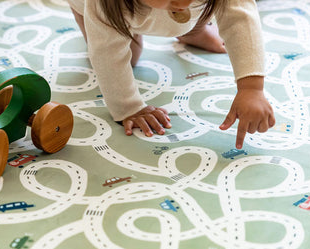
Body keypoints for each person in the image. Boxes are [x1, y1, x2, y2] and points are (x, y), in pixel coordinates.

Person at [67, 0, 275, 149]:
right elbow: (107, 54)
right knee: (130, 57)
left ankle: (189, 29)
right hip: (104, 11)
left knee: (199, 8)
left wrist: (251, 87)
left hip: (174, 13)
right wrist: (129, 107)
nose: (182, 2)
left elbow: (240, 17)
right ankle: (177, 26)